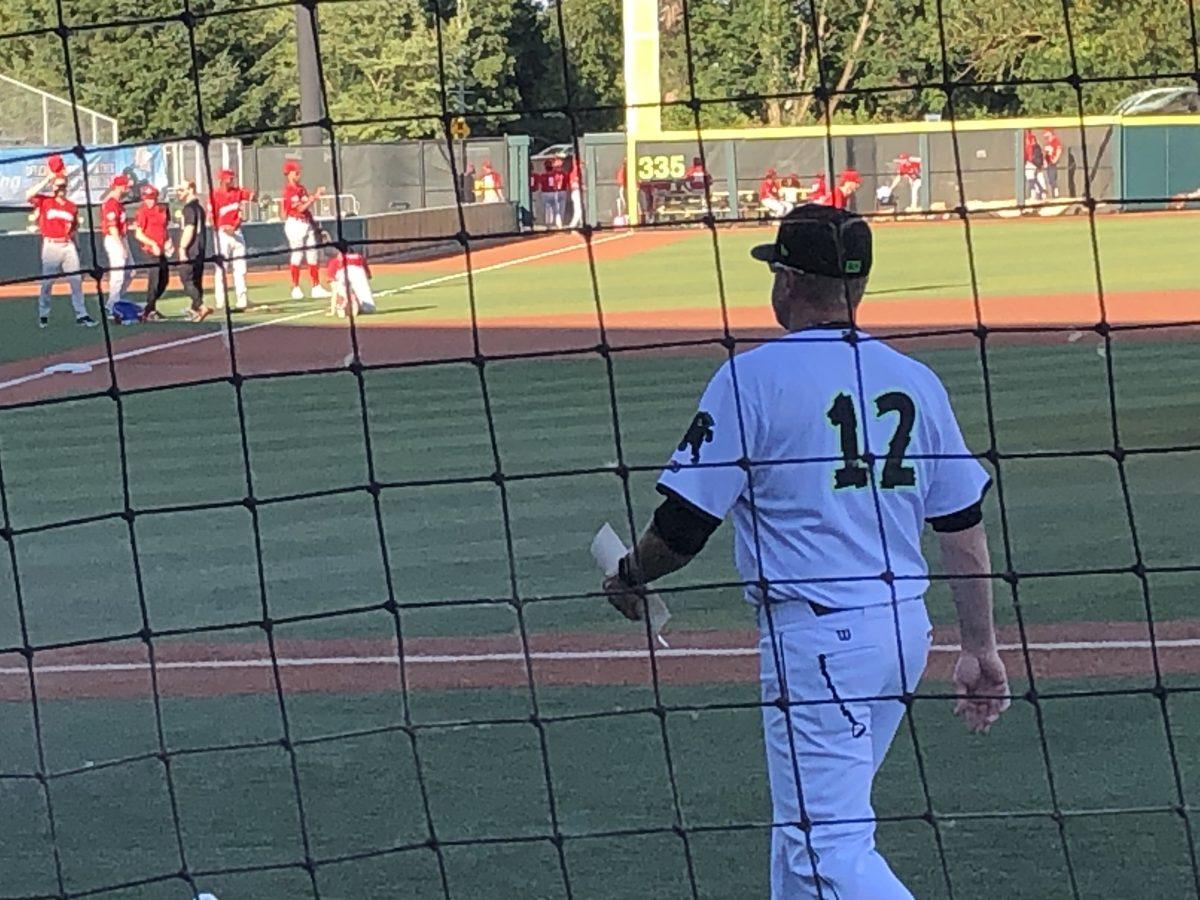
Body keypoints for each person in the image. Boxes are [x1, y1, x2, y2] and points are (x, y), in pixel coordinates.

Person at [600, 204, 1008, 900]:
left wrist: (629, 572)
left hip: (820, 640)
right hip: (901, 632)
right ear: (860, 286)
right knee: (801, 843)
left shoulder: (751, 379)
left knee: (828, 847)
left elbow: (683, 527)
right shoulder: (915, 381)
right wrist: (980, 645)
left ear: (787, 281)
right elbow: (961, 525)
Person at [27, 166, 98, 328]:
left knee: (76, 281)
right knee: (47, 283)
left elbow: (74, 229)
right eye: (57, 186)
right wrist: (47, 179)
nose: (61, 189)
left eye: (63, 186)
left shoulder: (71, 206)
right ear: (52, 187)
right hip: (51, 246)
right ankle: (43, 314)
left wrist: (78, 247)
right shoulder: (45, 201)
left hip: (68, 246)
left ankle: (82, 315)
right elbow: (28, 195)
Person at [281, 160, 329, 301]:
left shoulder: (301, 189)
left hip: (306, 223)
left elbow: (306, 210)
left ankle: (316, 286)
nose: (298, 174)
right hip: (294, 224)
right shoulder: (289, 191)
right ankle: (295, 287)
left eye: (299, 172)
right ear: (289, 174)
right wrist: (315, 197)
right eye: (296, 172)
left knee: (313, 255)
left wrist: (314, 225)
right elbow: (300, 208)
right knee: (297, 255)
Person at [209, 168, 253, 311]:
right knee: (222, 268)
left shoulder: (237, 192)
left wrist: (254, 198)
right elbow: (211, 218)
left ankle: (242, 299)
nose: (230, 180)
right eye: (228, 178)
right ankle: (221, 301)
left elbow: (253, 197)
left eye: (232, 178)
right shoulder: (215, 195)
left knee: (240, 268)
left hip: (237, 231)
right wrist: (221, 228)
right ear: (221, 179)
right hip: (222, 234)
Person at [132, 185, 172, 321]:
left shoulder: (162, 209)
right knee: (154, 280)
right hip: (150, 250)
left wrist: (168, 241)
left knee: (165, 279)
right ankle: (149, 310)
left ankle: (149, 307)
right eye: (147, 198)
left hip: (162, 249)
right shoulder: (142, 212)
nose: (150, 201)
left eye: (152, 198)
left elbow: (164, 228)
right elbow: (138, 234)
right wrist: (152, 244)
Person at [176, 182, 211, 322]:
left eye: (181, 190)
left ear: (190, 190)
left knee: (187, 280)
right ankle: (195, 308)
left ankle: (201, 306)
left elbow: (189, 229)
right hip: (200, 249)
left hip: (192, 249)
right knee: (196, 280)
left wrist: (182, 248)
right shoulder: (199, 208)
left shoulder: (189, 208)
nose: (179, 192)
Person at [101, 174, 132, 312]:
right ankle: (112, 304)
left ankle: (116, 299)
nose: (128, 188)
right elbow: (112, 227)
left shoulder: (118, 203)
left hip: (121, 238)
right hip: (114, 239)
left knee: (131, 271)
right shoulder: (111, 203)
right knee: (118, 273)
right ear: (120, 186)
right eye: (126, 185)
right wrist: (121, 247)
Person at [326, 246, 375, 318]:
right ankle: (359, 304)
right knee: (369, 309)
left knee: (341, 293)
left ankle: (346, 303)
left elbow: (334, 288)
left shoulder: (335, 261)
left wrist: (332, 311)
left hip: (343, 271)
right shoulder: (359, 257)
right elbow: (368, 276)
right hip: (359, 271)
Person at [547, 158, 568, 229]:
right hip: (556, 191)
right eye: (557, 167)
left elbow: (566, 182)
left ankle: (560, 222)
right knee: (557, 208)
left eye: (560, 166)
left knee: (562, 208)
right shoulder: (553, 174)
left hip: (563, 191)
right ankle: (557, 223)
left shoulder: (564, 174)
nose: (559, 168)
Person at [1042, 129, 1063, 198]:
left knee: (1052, 178)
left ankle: (1056, 193)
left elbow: (1059, 150)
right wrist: (1045, 161)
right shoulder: (1048, 142)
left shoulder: (1055, 141)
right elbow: (1045, 153)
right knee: (1050, 179)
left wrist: (1055, 159)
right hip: (1048, 163)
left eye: (1046, 132)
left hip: (1053, 163)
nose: (1044, 134)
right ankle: (1054, 194)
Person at [567, 158, 583, 228]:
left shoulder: (578, 172)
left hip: (578, 192)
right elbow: (573, 185)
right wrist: (581, 186)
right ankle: (572, 225)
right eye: (581, 164)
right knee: (578, 210)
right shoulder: (574, 173)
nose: (582, 166)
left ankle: (581, 224)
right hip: (576, 192)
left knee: (581, 210)